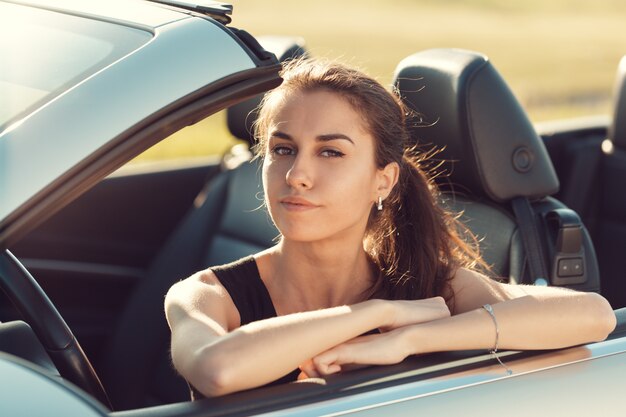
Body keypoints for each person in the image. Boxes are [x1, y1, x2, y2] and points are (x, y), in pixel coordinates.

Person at [164, 58, 616, 398]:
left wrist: (410, 338)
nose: (296, 175)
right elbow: (216, 369)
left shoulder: (424, 284)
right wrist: (375, 315)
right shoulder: (205, 294)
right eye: (283, 149)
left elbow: (593, 316)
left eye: (330, 153)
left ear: (383, 179)